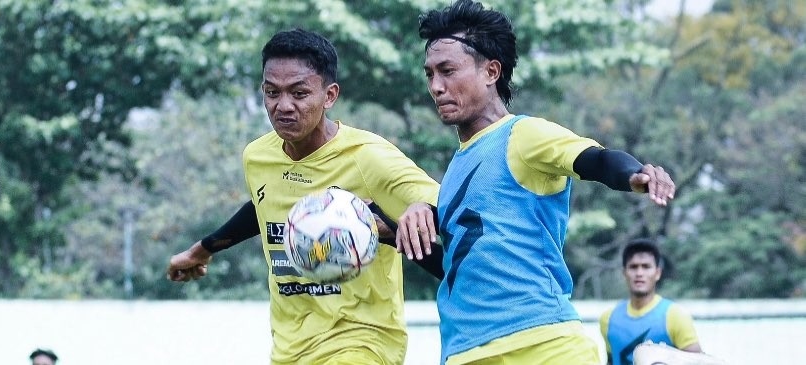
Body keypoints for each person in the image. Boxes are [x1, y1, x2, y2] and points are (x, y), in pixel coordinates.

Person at [394, 1, 677, 364]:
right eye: (430, 74)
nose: (436, 86)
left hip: (541, 344)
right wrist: (393, 232)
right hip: (465, 351)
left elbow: (597, 160)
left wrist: (634, 174)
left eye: (447, 70)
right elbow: (459, 267)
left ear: (491, 71)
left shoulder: (522, 135)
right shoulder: (455, 170)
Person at [166, 29, 442, 365]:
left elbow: (449, 208)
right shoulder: (258, 157)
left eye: (299, 93)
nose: (283, 106)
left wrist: (394, 225)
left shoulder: (369, 157)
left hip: (363, 343)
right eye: (272, 93)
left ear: (329, 96)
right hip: (291, 349)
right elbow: (263, 207)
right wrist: (201, 250)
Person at [600, 239, 701, 365]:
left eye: (646, 267)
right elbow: (611, 361)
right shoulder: (608, 319)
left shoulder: (675, 315)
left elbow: (698, 362)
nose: (639, 273)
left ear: (657, 273)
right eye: (633, 267)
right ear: (624, 273)